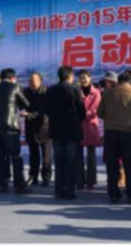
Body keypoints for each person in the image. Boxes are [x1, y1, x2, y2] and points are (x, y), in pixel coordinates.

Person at [98, 70, 131, 204]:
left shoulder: (107, 93)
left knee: (112, 165)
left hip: (110, 133)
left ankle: (113, 193)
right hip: (129, 133)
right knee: (130, 165)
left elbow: (100, 112)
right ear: (130, 82)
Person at [45, 66, 86, 200]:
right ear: (70, 76)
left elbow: (46, 109)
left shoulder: (51, 90)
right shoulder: (75, 90)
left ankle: (58, 191)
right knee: (71, 162)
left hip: (56, 131)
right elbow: (82, 112)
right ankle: (69, 191)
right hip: (72, 131)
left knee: (59, 161)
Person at [0, 68, 31, 194]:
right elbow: (26, 104)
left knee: (0, 156)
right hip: (10, 126)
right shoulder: (15, 87)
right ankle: (19, 185)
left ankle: (2, 184)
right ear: (13, 78)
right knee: (16, 156)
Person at [23, 72, 51, 186]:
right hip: (30, 127)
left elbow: (43, 110)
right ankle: (33, 176)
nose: (31, 83)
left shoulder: (46, 92)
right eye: (30, 81)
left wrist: (29, 114)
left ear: (40, 81)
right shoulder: (25, 92)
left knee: (46, 156)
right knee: (33, 154)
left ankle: (46, 177)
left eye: (34, 80)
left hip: (44, 127)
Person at [76, 69, 101, 190]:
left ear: (90, 78)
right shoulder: (76, 91)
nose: (83, 80)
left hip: (91, 125)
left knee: (91, 155)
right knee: (78, 155)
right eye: (81, 78)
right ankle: (79, 180)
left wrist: (83, 114)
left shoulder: (96, 92)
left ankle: (91, 180)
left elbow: (96, 109)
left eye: (85, 77)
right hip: (79, 126)